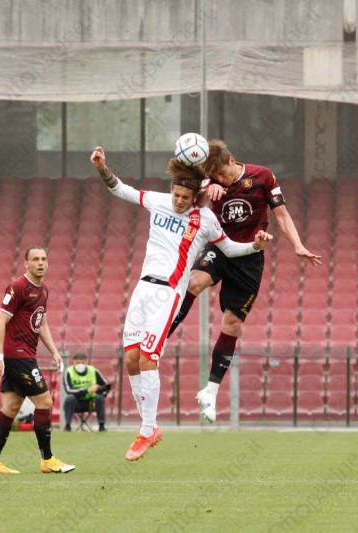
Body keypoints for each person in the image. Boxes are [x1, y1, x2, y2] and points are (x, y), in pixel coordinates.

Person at [90, 146, 272, 461]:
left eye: (185, 198)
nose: (178, 201)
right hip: (143, 288)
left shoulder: (206, 219)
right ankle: (148, 425)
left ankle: (148, 429)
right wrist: (102, 168)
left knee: (148, 358)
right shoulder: (158, 201)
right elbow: (120, 190)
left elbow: (230, 249)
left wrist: (254, 245)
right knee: (131, 360)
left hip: (169, 293)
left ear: (194, 197)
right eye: (176, 195)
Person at [166, 140, 322, 423]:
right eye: (215, 176)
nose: (221, 179)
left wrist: (297, 245)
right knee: (194, 282)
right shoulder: (208, 181)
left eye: (222, 174)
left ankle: (210, 392)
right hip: (220, 247)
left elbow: (282, 215)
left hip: (249, 257)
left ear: (232, 160)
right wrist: (205, 193)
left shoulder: (262, 176)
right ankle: (162, 337)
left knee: (233, 324)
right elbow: (187, 204)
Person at [0, 246, 75, 475]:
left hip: (26, 354)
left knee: (10, 408)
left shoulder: (43, 291)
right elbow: (0, 321)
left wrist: (54, 351)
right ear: (26, 264)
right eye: (35, 259)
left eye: (44, 259)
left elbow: (41, 324)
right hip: (17, 355)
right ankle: (47, 459)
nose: (40, 263)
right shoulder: (17, 288)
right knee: (45, 402)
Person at [63, 353, 110, 432]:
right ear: (73, 362)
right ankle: (67, 426)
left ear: (87, 362)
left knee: (100, 398)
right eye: (77, 363)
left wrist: (99, 390)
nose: (80, 365)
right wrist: (87, 390)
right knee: (69, 398)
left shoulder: (93, 370)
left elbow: (106, 386)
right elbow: (68, 390)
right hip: (76, 403)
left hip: (91, 403)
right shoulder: (68, 372)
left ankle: (102, 426)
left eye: (82, 362)